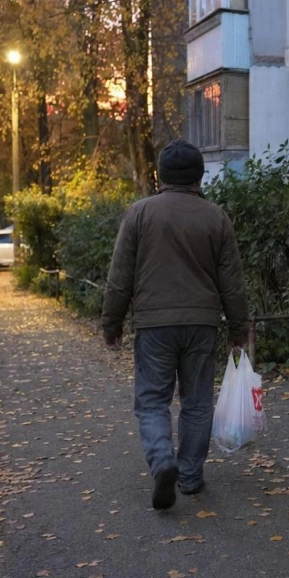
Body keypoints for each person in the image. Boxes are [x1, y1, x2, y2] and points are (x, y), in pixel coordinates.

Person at [102, 140, 249, 510]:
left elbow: (120, 276)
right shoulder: (216, 217)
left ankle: (162, 461)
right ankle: (190, 476)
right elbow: (232, 282)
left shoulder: (139, 214)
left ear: (161, 176)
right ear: (200, 176)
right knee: (198, 401)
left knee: (152, 401)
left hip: (154, 324)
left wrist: (112, 323)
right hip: (202, 324)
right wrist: (238, 330)